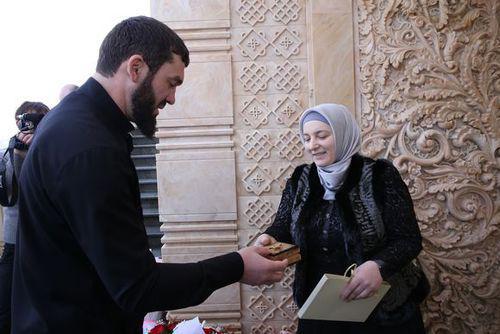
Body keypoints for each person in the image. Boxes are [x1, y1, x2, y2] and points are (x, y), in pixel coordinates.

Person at [12, 16, 287, 334]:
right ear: (136, 68)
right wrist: (237, 266)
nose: (172, 99)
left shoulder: (76, 123)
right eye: (171, 82)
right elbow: (136, 287)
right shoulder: (91, 148)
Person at [256, 104, 429, 333]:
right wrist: (269, 238)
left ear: (342, 133)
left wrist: (378, 266)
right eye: (306, 138)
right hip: (322, 308)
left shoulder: (380, 176)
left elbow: (408, 239)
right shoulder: (301, 180)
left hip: (382, 310)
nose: (312, 145)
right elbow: (284, 226)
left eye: (322, 136)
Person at [0, 101, 50, 333]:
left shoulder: (49, 148)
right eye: (24, 119)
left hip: (43, 240)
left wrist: (35, 150)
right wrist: (17, 153)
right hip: (13, 240)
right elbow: (9, 193)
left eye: (34, 120)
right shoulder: (6, 152)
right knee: (6, 303)